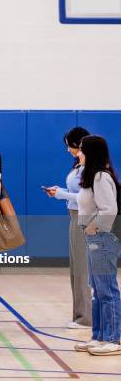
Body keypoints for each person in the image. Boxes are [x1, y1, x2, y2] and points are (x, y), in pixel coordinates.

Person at [74, 135, 120, 356]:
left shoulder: (101, 177)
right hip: (92, 239)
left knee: (107, 290)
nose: (78, 153)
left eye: (81, 150)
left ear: (90, 153)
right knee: (97, 290)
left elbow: (108, 209)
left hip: (102, 239)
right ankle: (99, 335)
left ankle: (113, 339)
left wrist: (92, 227)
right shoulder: (90, 176)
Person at [44, 127, 92, 329]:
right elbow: (76, 193)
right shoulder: (78, 165)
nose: (69, 150)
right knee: (75, 269)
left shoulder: (91, 167)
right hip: (73, 216)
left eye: (70, 146)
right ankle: (79, 315)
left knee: (82, 270)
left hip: (84, 218)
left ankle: (86, 318)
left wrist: (61, 195)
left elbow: (86, 198)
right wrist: (60, 191)